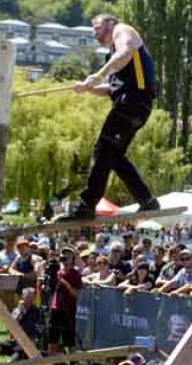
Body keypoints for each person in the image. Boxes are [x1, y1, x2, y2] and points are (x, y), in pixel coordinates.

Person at [59, 13, 160, 221]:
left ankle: (86, 206)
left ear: (111, 23)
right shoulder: (113, 56)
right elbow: (111, 89)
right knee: (114, 156)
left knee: (102, 148)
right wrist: (89, 87)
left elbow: (125, 52)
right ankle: (148, 201)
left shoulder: (122, 31)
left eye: (97, 25)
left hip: (132, 101)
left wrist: (97, 75)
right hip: (136, 104)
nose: (94, 31)